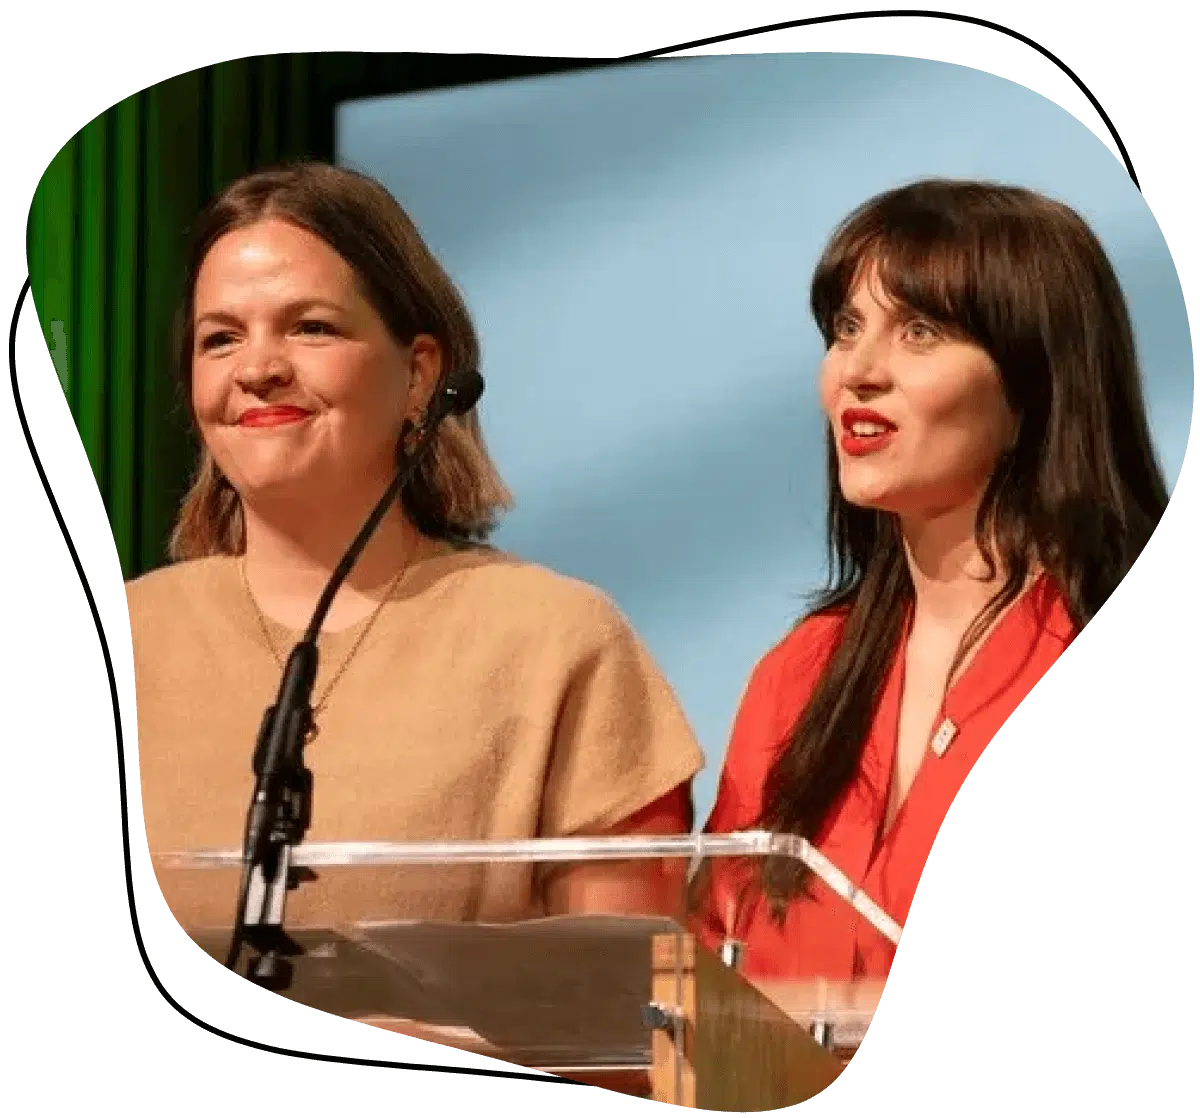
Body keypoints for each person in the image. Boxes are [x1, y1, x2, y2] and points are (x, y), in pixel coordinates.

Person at [128, 162, 704, 939]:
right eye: (220, 338)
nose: (258, 368)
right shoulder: (131, 631)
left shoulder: (556, 644)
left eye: (311, 327)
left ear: (419, 375)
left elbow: (631, 1031)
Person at [689, 179, 1169, 985]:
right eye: (846, 328)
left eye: (919, 331)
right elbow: (708, 973)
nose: (859, 371)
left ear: (1030, 392)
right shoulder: (800, 674)